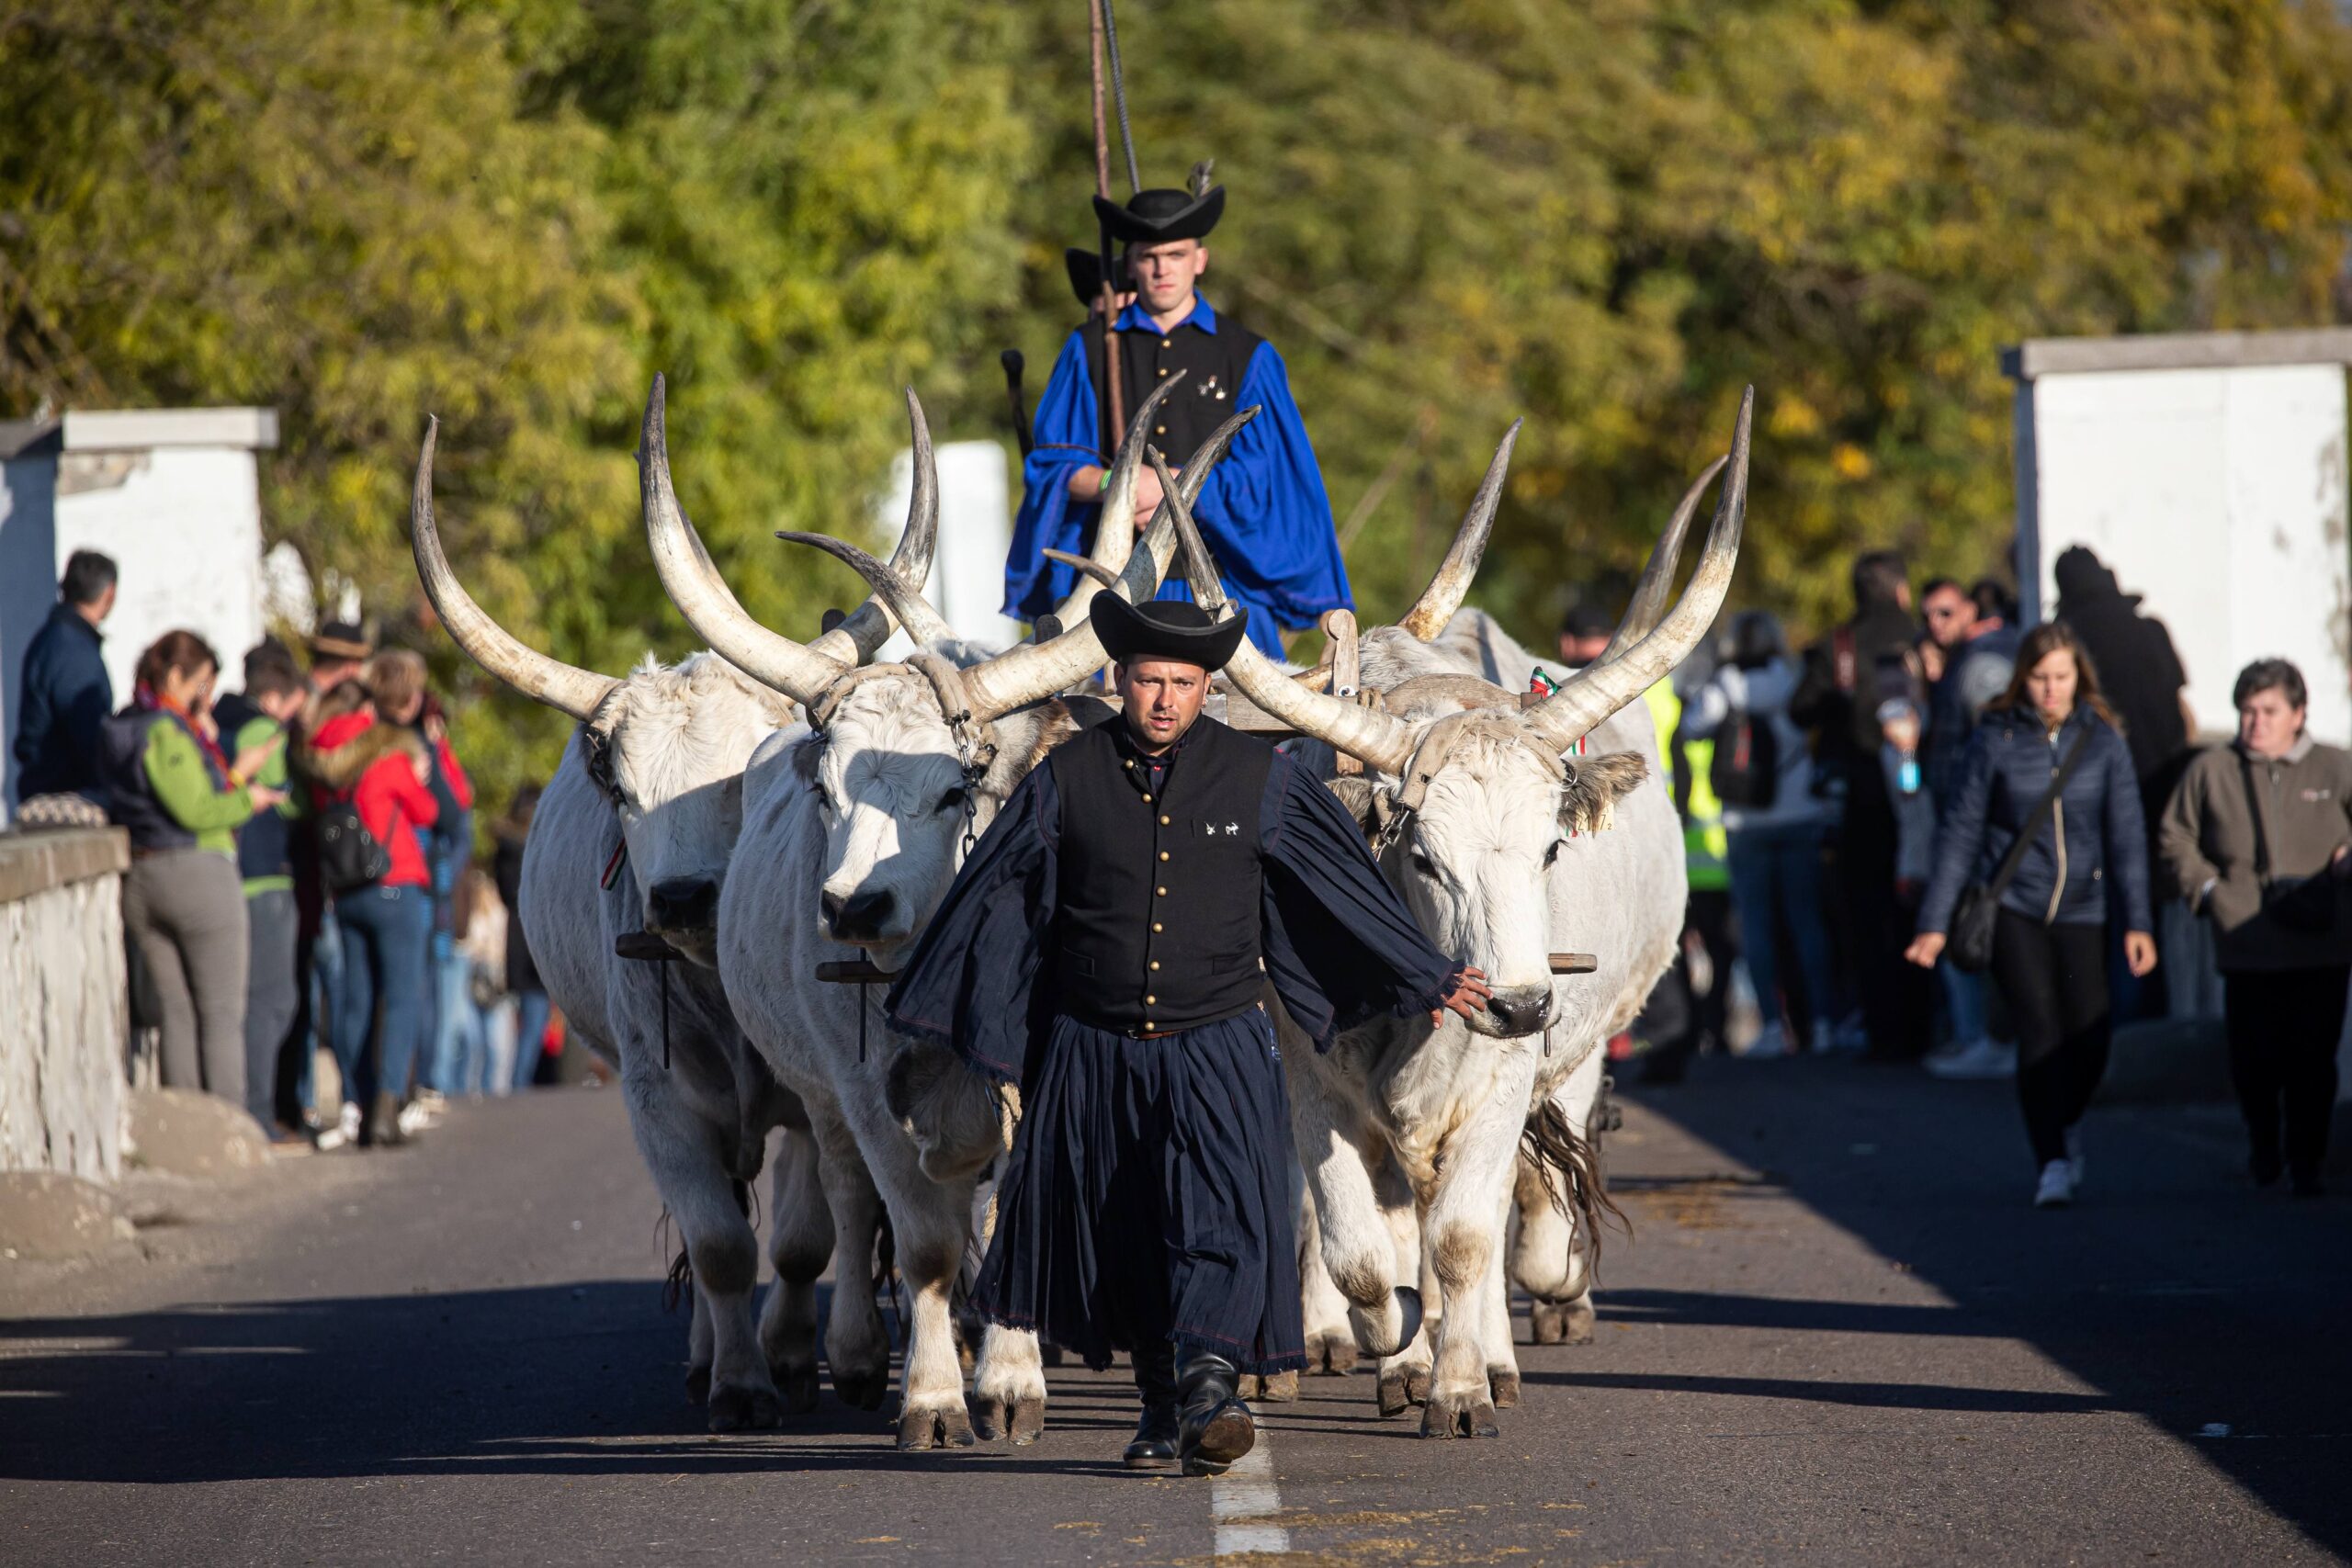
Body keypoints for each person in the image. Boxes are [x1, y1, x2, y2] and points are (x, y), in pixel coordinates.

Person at [886, 594, 1489, 1476]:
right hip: (1093, 1052)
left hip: (1220, 1048)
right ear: (1119, 679)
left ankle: (1209, 1391)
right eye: (1148, 680)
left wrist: (1424, 970)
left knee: (1219, 1219)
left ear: (1208, 687)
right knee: (1130, 1235)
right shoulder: (1065, 777)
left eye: (1183, 682)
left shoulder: (1259, 777)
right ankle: (1162, 1408)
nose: (1165, 698)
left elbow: (1339, 879)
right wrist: (947, 992)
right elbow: (997, 892)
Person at [1003, 174, 1351, 657]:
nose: (1162, 269)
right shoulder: (1088, 349)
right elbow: (1053, 468)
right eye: (1149, 256)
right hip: (1109, 598)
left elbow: (1265, 482)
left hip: (1222, 593)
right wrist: (1119, 485)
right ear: (1131, 263)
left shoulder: (1247, 355)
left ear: (1200, 260)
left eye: (1176, 255)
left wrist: (1170, 485)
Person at [1907, 624, 2157, 1209]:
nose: (2050, 689)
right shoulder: (1994, 738)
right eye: (2040, 677)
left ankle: (2064, 1122)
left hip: (2084, 908)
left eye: (2061, 677)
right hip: (2014, 907)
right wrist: (1934, 923)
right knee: (2040, 1031)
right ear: (2022, 677)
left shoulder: (2103, 740)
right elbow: (1961, 833)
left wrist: (2139, 922)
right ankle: (2051, 1160)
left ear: (2079, 677)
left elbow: (2127, 837)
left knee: (2090, 1036)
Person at [2160, 659, 2352, 1197]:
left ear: (2299, 714)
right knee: (2254, 1061)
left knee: (2313, 1059)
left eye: (2269, 711)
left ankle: (2307, 1161)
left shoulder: (2334, 767)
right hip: (2246, 942)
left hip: (2321, 943)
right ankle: (2264, 1146)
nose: (2256, 722)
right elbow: (2175, 837)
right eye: (2247, 711)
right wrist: (2209, 891)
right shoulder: (2213, 770)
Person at [97, 630, 286, 1110]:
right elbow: (196, 810)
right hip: (196, 875)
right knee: (221, 1014)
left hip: (144, 878)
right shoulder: (164, 731)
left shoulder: (126, 725)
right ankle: (226, 1129)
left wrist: (231, 770)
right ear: (175, 675)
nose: (205, 696)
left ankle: (188, 1126)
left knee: (177, 1015)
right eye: (200, 683)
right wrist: (247, 799)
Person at [1792, 549, 1933, 1058]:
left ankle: (1883, 1031)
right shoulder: (1920, 640)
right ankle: (1928, 1026)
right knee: (1921, 907)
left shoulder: (1839, 646)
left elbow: (1800, 709)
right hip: (1922, 792)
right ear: (1901, 590)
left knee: (1867, 918)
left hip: (1861, 799)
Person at [300, 650, 439, 1148]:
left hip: (347, 891)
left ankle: (357, 1103)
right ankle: (386, 1106)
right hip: (395, 883)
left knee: (355, 1001)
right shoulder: (386, 754)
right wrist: (419, 775)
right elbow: (427, 812)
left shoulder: (319, 760)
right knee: (401, 998)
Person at [1683, 612, 1838, 1058]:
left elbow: (1692, 728)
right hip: (1799, 816)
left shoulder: (1726, 685)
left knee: (1757, 929)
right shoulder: (1791, 679)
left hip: (1745, 823)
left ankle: (1772, 1026)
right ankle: (1823, 1023)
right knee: (1807, 925)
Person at [1917, 577, 2024, 1080]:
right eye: (1927, 617)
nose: (1935, 626)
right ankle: (1982, 1037)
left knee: (1973, 926)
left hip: (1979, 821)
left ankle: (1990, 1038)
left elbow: (1994, 743)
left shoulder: (1983, 661)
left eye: (1944, 613)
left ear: (1969, 610)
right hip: (1967, 814)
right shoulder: (1965, 657)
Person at [213, 641, 309, 1146]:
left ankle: (247, 1112)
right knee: (272, 1000)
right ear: (274, 699)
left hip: (230, 874)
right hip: (267, 878)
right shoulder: (263, 733)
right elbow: (287, 801)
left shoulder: (217, 722)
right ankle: (258, 1117)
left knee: (243, 1000)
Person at [14, 549, 118, 809]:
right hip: (68, 799)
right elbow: (89, 734)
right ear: (110, 593)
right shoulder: (73, 651)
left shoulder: (55, 638)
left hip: (48, 791)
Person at [415, 692, 476, 1105]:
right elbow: (454, 819)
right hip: (428, 890)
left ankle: (433, 1079)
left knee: (439, 996)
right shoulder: (427, 755)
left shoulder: (444, 760)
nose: (438, 729)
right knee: (428, 992)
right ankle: (428, 1079)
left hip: (442, 898)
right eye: (432, 720)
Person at [492, 784, 549, 1092]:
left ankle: (518, 1083)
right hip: (531, 949)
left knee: (526, 1024)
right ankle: (519, 1086)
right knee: (533, 1024)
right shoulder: (529, 852)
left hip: (517, 946)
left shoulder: (506, 851)